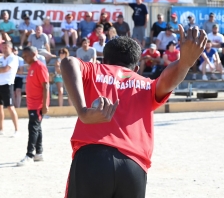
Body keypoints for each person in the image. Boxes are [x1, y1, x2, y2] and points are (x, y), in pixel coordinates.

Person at [60, 25, 207, 198]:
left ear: (103, 61)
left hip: (92, 158)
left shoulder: (95, 70)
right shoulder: (146, 84)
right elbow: (166, 82)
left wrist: (83, 112)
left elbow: (68, 62)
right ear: (136, 68)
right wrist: (184, 64)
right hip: (133, 165)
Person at [17, 46, 49, 166]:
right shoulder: (31, 67)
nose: (24, 58)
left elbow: (45, 86)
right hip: (32, 103)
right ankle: (39, 153)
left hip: (37, 104)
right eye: (23, 56)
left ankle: (29, 155)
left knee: (32, 128)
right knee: (37, 128)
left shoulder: (40, 66)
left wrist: (45, 104)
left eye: (26, 55)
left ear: (34, 53)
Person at [0, 41, 19, 137]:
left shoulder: (13, 58)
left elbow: (7, 69)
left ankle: (16, 130)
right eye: (3, 47)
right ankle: (1, 129)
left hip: (7, 84)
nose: (4, 49)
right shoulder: (0, 58)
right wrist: (1, 70)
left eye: (6, 47)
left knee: (10, 107)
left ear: (10, 48)